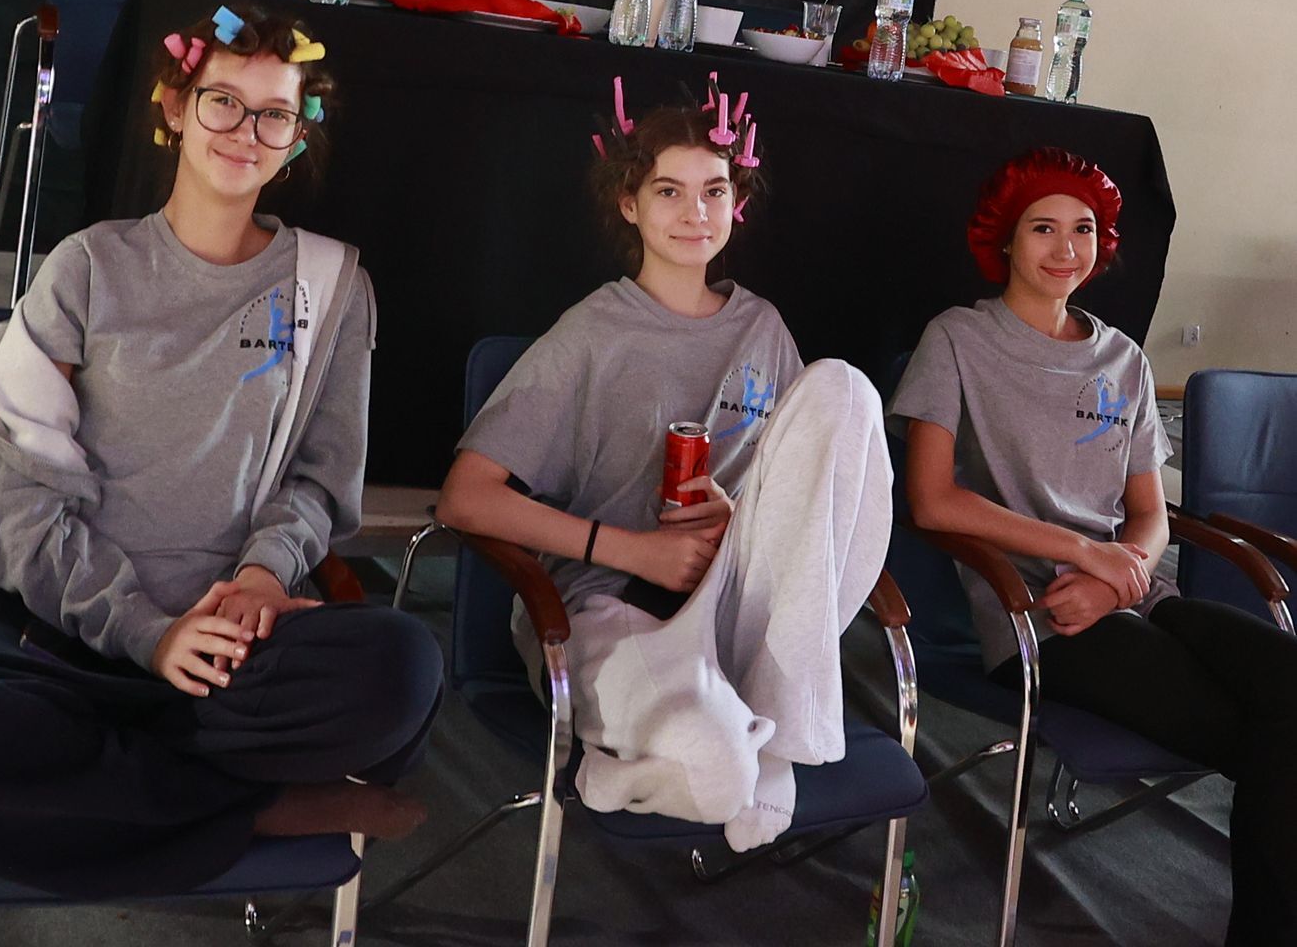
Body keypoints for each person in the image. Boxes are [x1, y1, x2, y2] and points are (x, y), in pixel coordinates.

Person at [0, 4, 443, 898]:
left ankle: (113, 792)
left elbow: (320, 478)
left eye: (274, 114)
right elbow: (9, 497)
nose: (245, 132)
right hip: (56, 644)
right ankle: (248, 807)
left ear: (297, 138)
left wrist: (266, 575)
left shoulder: (333, 287)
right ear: (175, 107)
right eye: (223, 102)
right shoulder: (87, 267)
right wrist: (148, 636)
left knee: (405, 670)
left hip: (232, 656)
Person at [435, 75, 892, 853]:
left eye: (714, 191)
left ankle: (773, 736)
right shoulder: (591, 333)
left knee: (845, 388)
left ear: (737, 204)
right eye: (669, 191)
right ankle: (678, 759)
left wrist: (740, 516)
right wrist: (632, 550)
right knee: (718, 775)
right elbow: (464, 499)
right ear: (629, 204)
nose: (695, 213)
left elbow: (814, 495)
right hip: (614, 610)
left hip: (738, 608)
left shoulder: (763, 327)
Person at [888, 146, 1297, 944]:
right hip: (1037, 613)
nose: (1065, 247)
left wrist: (1120, 572)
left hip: (1131, 591)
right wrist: (1083, 558)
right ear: (1005, 239)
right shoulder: (958, 339)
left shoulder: (1125, 359)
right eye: (1042, 227)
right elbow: (932, 502)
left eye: (1083, 229)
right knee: (1268, 740)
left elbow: (1150, 513)